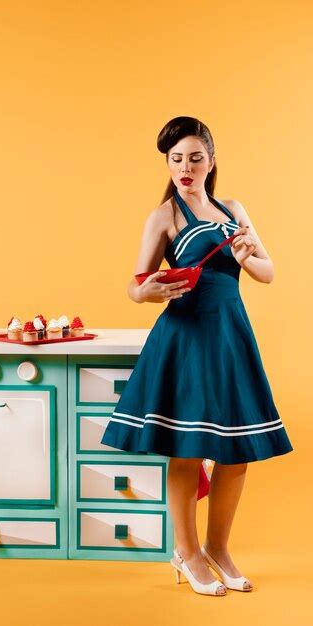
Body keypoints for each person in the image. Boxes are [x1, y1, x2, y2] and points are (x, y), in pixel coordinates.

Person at [100, 116, 294, 596]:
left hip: (231, 337)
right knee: (187, 452)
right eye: (176, 159)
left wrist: (249, 254)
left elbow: (267, 273)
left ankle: (218, 549)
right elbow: (134, 284)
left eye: (194, 157)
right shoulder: (163, 216)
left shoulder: (233, 209)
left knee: (237, 454)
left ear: (211, 160)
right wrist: (151, 293)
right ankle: (187, 554)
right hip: (185, 337)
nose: (185, 167)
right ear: (168, 163)